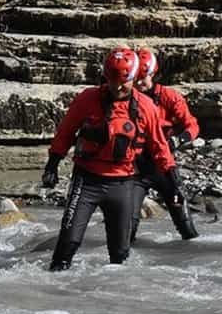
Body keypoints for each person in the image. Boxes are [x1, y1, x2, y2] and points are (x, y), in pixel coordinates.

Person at [41, 46, 183, 271]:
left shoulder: (146, 107)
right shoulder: (87, 98)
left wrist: (174, 184)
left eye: (123, 82)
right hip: (87, 181)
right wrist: (52, 165)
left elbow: (160, 148)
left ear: (134, 78)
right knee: (68, 243)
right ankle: (55, 282)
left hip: (123, 183)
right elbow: (65, 133)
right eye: (112, 81)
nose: (117, 87)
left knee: (120, 256)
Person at [131, 47, 200, 242]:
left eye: (142, 78)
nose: (138, 83)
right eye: (135, 78)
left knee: (185, 224)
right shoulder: (126, 99)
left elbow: (192, 125)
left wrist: (178, 140)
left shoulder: (170, 97)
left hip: (164, 167)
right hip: (135, 169)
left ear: (153, 74)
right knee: (127, 226)